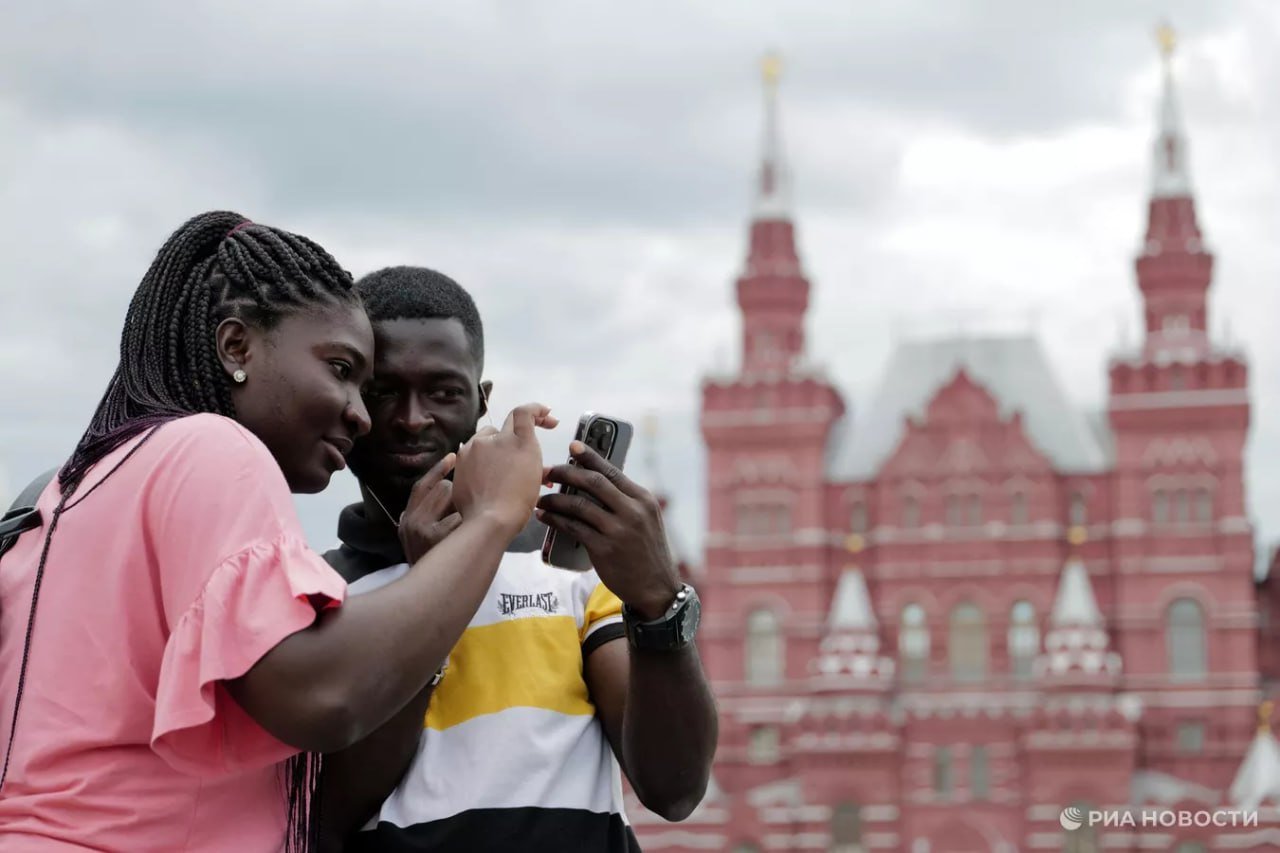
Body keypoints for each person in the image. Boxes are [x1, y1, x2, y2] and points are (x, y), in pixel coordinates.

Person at [0, 213, 553, 853]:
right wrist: (491, 521)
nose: (362, 414)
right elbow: (323, 696)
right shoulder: (214, 449)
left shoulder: (71, 487)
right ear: (237, 347)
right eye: (344, 370)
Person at [320, 266, 718, 852]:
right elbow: (329, 815)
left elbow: (674, 789)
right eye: (383, 391)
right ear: (350, 403)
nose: (412, 418)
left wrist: (659, 603)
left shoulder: (567, 569)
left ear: (482, 404)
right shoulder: (320, 589)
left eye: (443, 392)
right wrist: (433, 597)